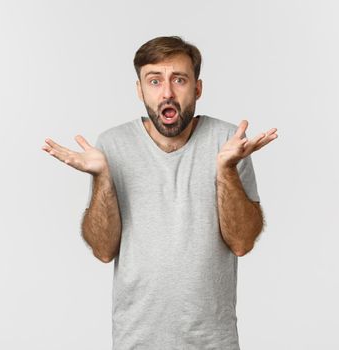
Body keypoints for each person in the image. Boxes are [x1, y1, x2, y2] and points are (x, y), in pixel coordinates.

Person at [42, 36, 278, 350]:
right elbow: (103, 250)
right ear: (140, 90)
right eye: (154, 81)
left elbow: (242, 243)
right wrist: (102, 178)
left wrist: (226, 170)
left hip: (212, 342)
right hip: (137, 341)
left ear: (197, 88)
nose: (166, 92)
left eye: (179, 80)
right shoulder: (112, 145)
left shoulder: (228, 142)